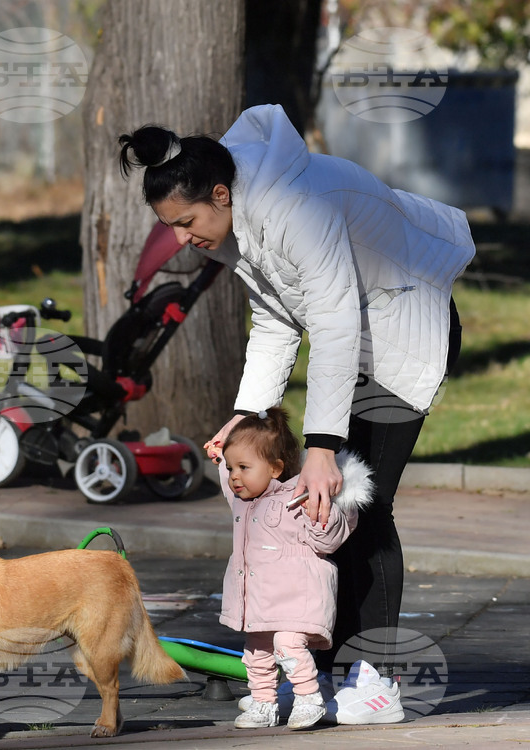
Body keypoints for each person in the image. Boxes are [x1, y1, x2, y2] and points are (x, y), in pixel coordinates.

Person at [119, 104, 472, 719]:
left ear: (222, 194)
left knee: (360, 501)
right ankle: (321, 669)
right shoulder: (233, 223)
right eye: (169, 225)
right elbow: (276, 317)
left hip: (402, 329)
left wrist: (321, 449)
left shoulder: (296, 205)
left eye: (186, 221)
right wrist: (247, 414)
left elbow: (333, 320)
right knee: (317, 511)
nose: (181, 239)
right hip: (356, 336)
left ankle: (379, 680)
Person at [219, 408, 374, 729]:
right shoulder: (245, 501)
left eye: (243, 468)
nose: (234, 476)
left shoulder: (296, 495)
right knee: (256, 654)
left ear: (276, 468)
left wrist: (322, 509)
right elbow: (232, 471)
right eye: (231, 467)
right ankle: (263, 703)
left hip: (297, 599)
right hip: (258, 602)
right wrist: (222, 452)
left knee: (288, 646)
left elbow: (328, 540)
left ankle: (308, 698)